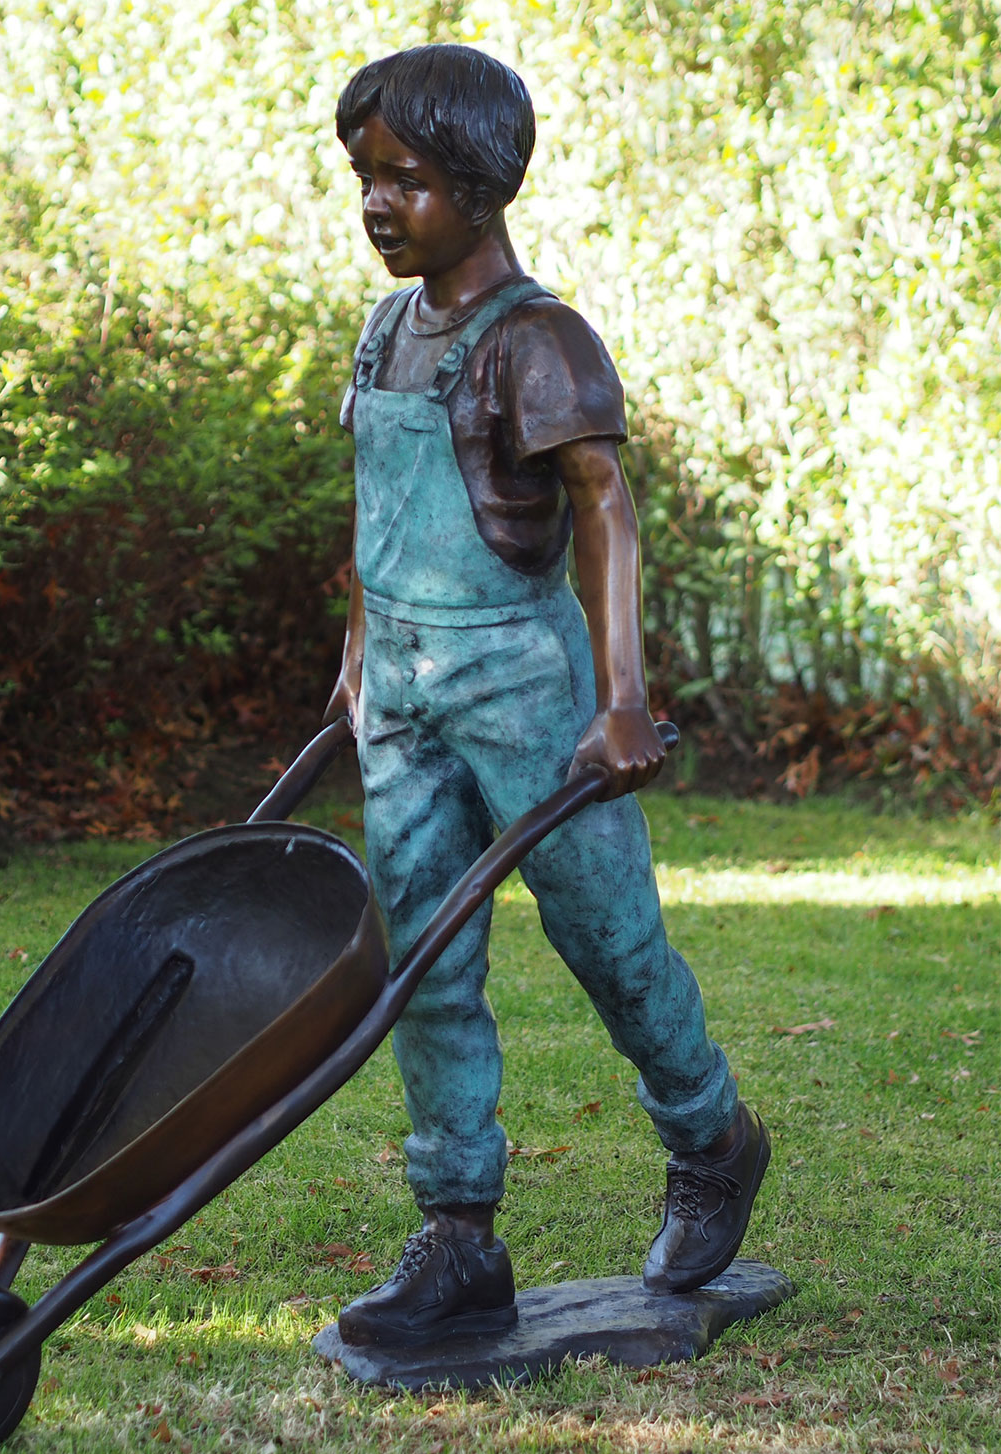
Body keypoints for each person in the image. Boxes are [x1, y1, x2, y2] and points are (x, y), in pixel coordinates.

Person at [323, 43, 771, 1348]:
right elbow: (370, 509)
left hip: (524, 696)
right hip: (401, 695)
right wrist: (358, 646)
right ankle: (458, 1233)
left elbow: (604, 511)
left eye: (403, 179)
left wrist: (622, 698)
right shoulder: (382, 332)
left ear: (477, 180)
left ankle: (708, 1138)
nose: (376, 204)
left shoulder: (536, 341)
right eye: (364, 178)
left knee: (606, 940)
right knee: (422, 963)